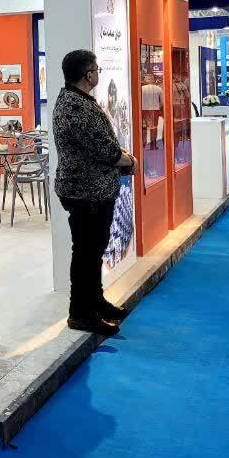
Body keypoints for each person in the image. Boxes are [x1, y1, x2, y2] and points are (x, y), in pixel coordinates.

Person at [51, 50, 136, 337]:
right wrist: (128, 160)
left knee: (92, 252)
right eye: (96, 70)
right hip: (86, 193)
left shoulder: (76, 101)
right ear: (88, 75)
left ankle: (95, 302)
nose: (98, 73)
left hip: (90, 191)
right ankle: (81, 314)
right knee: (86, 255)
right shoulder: (77, 107)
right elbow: (104, 150)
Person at [140, 74, 163, 151]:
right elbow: (162, 102)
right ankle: (153, 144)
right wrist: (159, 106)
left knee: (144, 127)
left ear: (146, 80)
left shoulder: (141, 88)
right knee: (154, 127)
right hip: (155, 109)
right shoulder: (158, 89)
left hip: (143, 109)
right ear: (153, 80)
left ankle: (143, 143)